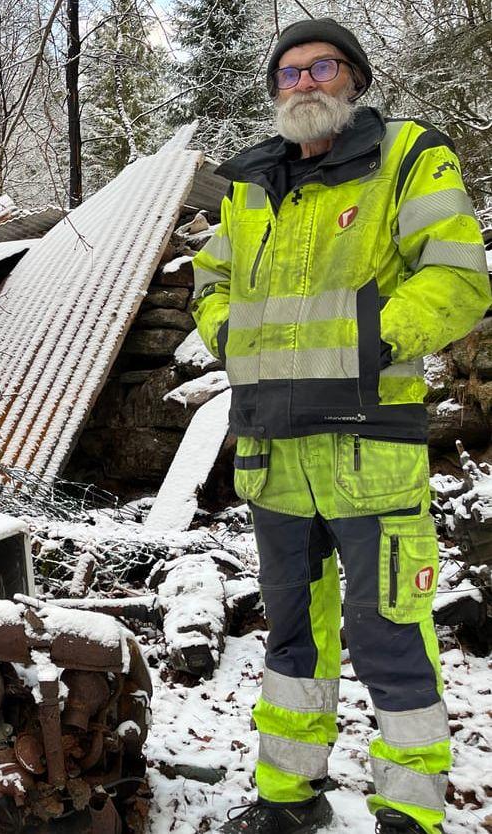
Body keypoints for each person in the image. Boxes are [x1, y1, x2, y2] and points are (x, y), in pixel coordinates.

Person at [190, 18, 491, 834]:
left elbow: (459, 280)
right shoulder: (249, 185)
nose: (304, 84)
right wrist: (225, 333)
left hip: (368, 442)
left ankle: (408, 811)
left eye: (321, 67)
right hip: (271, 446)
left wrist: (369, 337)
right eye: (288, 74)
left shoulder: (405, 157)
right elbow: (208, 281)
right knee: (290, 634)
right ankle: (289, 798)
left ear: (352, 79)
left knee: (389, 631)